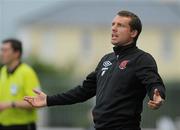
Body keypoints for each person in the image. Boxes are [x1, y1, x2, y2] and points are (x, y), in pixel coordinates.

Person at [24, 10, 166, 130]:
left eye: (120, 25)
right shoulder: (107, 59)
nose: (114, 28)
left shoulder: (141, 59)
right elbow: (83, 91)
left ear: (133, 32)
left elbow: (154, 83)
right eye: (113, 24)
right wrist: (48, 100)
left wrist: (158, 96)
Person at [0, 39, 41, 130]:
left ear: (16, 53)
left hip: (22, 125)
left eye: (5, 50)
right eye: (1, 50)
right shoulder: (3, 71)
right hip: (3, 124)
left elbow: (37, 101)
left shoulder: (27, 72)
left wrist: (10, 104)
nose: (2, 53)